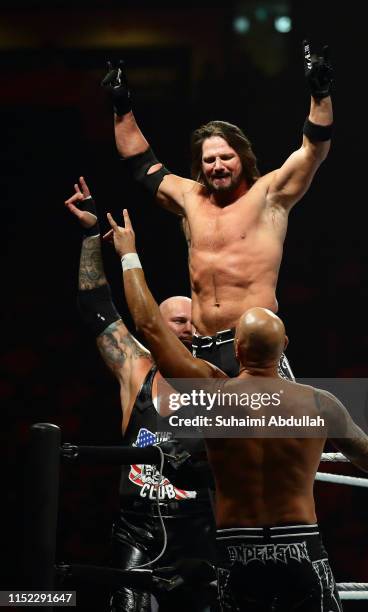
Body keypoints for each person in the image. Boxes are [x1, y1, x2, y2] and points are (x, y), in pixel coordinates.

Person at [104, 208, 368, 611]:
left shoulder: (213, 394)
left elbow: (150, 326)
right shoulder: (320, 403)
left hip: (235, 550)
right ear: (285, 346)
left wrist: (128, 253)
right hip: (300, 545)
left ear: (236, 350)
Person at [101, 41, 333, 377]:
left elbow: (313, 149)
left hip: (255, 353)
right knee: (203, 431)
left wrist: (320, 94)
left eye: (226, 157)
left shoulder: (268, 195)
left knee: (270, 430)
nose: (218, 166)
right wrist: (122, 107)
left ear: (243, 158)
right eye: (209, 160)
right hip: (201, 353)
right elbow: (139, 162)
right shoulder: (189, 198)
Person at [65, 177, 217, 612]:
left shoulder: (219, 381)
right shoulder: (138, 370)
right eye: (175, 321)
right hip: (140, 532)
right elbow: (95, 306)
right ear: (156, 330)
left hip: (202, 534)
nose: (186, 328)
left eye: (192, 321)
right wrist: (91, 235)